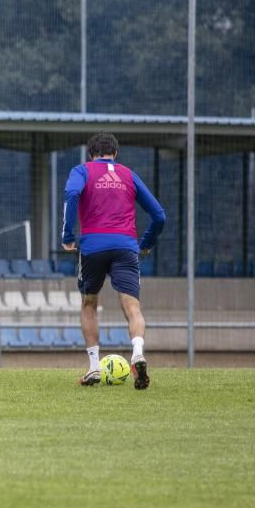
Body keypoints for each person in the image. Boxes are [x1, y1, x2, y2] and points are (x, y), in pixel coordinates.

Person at [61, 132, 165, 390]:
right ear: (115, 154)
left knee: (88, 303)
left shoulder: (82, 170)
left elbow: (71, 195)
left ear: (91, 153)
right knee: (133, 308)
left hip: (93, 246)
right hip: (125, 246)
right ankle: (138, 353)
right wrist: (146, 244)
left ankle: (95, 367)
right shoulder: (128, 175)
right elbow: (159, 215)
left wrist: (67, 235)